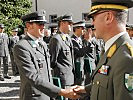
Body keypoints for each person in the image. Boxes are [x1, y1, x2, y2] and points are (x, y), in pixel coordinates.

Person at [73, 0, 133, 100]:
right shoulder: (114, 50)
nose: (92, 23)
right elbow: (107, 84)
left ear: (108, 17)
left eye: (94, 17)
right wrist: (85, 89)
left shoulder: (126, 57)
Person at [13, 11, 79, 100]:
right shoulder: (22, 46)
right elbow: (32, 76)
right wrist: (60, 91)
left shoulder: (42, 44)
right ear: (29, 25)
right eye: (39, 24)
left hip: (46, 95)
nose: (43, 27)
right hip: (34, 96)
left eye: (44, 24)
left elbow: (48, 71)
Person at [49, 14, 75, 100]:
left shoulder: (67, 38)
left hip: (70, 76)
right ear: (62, 23)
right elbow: (53, 61)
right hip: (62, 77)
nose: (71, 26)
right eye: (69, 23)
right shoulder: (56, 39)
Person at [71, 21, 92, 86]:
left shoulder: (80, 40)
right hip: (77, 68)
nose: (84, 30)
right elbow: (80, 53)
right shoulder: (72, 40)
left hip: (82, 67)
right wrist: (87, 40)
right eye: (82, 28)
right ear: (76, 29)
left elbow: (89, 50)